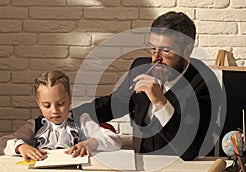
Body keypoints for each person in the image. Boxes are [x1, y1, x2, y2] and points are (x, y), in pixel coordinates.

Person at [73, 11, 220, 161]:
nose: (155, 58)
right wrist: (66, 115)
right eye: (153, 48)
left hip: (182, 168)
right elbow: (115, 104)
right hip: (139, 162)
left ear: (187, 50)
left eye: (166, 50)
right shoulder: (141, 67)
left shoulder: (205, 84)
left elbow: (189, 151)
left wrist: (160, 102)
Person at [0, 71, 122, 161]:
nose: (54, 111)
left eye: (60, 104)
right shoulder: (34, 126)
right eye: (47, 105)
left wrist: (88, 144)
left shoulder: (81, 122)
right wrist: (21, 147)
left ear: (69, 100)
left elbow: (114, 140)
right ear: (39, 104)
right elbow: (3, 142)